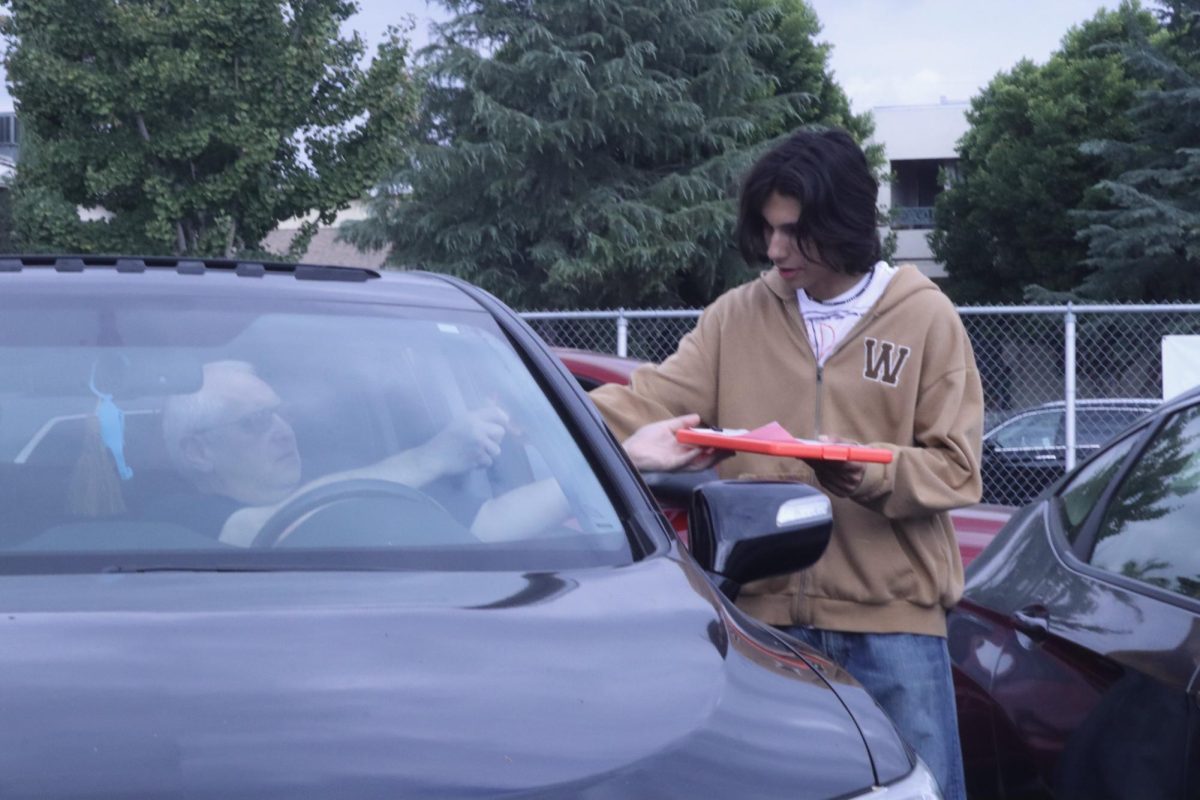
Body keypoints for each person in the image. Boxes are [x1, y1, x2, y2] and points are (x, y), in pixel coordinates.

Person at [589, 128, 982, 800]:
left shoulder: (927, 318)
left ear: (844, 223)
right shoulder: (735, 317)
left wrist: (871, 473)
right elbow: (642, 402)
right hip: (763, 628)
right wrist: (540, 426)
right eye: (768, 230)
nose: (774, 250)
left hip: (893, 629)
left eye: (794, 232)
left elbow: (957, 470)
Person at [161, 360, 568, 546]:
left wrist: (611, 467)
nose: (283, 432)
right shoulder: (181, 518)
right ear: (199, 452)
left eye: (281, 415)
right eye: (256, 421)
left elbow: (486, 526)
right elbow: (254, 529)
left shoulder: (365, 485)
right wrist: (431, 457)